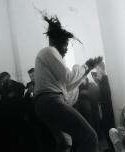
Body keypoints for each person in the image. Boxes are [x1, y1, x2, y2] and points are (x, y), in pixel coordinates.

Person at [34, 11, 102, 152]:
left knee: (65, 141)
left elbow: (68, 85)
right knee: (89, 136)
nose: (66, 49)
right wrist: (85, 65)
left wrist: (85, 72)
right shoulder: (49, 51)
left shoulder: (48, 56)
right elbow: (69, 78)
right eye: (65, 44)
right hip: (51, 101)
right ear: (56, 42)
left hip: (45, 104)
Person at [92, 61, 115, 152]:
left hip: (107, 105)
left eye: (99, 68)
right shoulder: (101, 79)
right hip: (104, 105)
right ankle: (110, 145)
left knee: (108, 124)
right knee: (105, 124)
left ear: (103, 68)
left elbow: (106, 92)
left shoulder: (105, 78)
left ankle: (111, 145)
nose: (97, 70)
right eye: (96, 68)